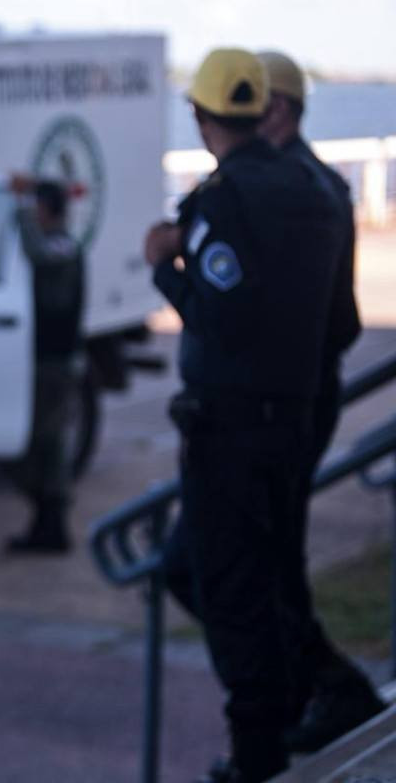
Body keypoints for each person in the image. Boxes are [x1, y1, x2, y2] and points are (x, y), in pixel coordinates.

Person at [146, 49, 343, 782]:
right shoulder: (319, 190)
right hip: (294, 420)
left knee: (229, 587)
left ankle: (261, 749)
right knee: (260, 575)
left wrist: (163, 264)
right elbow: (340, 319)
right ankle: (301, 694)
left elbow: (215, 313)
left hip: (229, 432)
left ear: (201, 118)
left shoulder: (222, 200)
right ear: (260, 111)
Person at [255, 49, 384, 752]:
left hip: (287, 407)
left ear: (273, 109)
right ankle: (314, 692)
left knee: (264, 563)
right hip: (299, 401)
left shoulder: (298, 190)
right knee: (267, 561)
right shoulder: (316, 186)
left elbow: (335, 322)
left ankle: (325, 690)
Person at [6, 176, 85, 554]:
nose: (33, 214)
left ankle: (51, 525)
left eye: (38, 207)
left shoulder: (64, 246)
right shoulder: (61, 244)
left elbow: (38, 254)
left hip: (55, 362)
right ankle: (45, 524)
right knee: (43, 445)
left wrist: (19, 205)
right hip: (47, 359)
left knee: (45, 444)